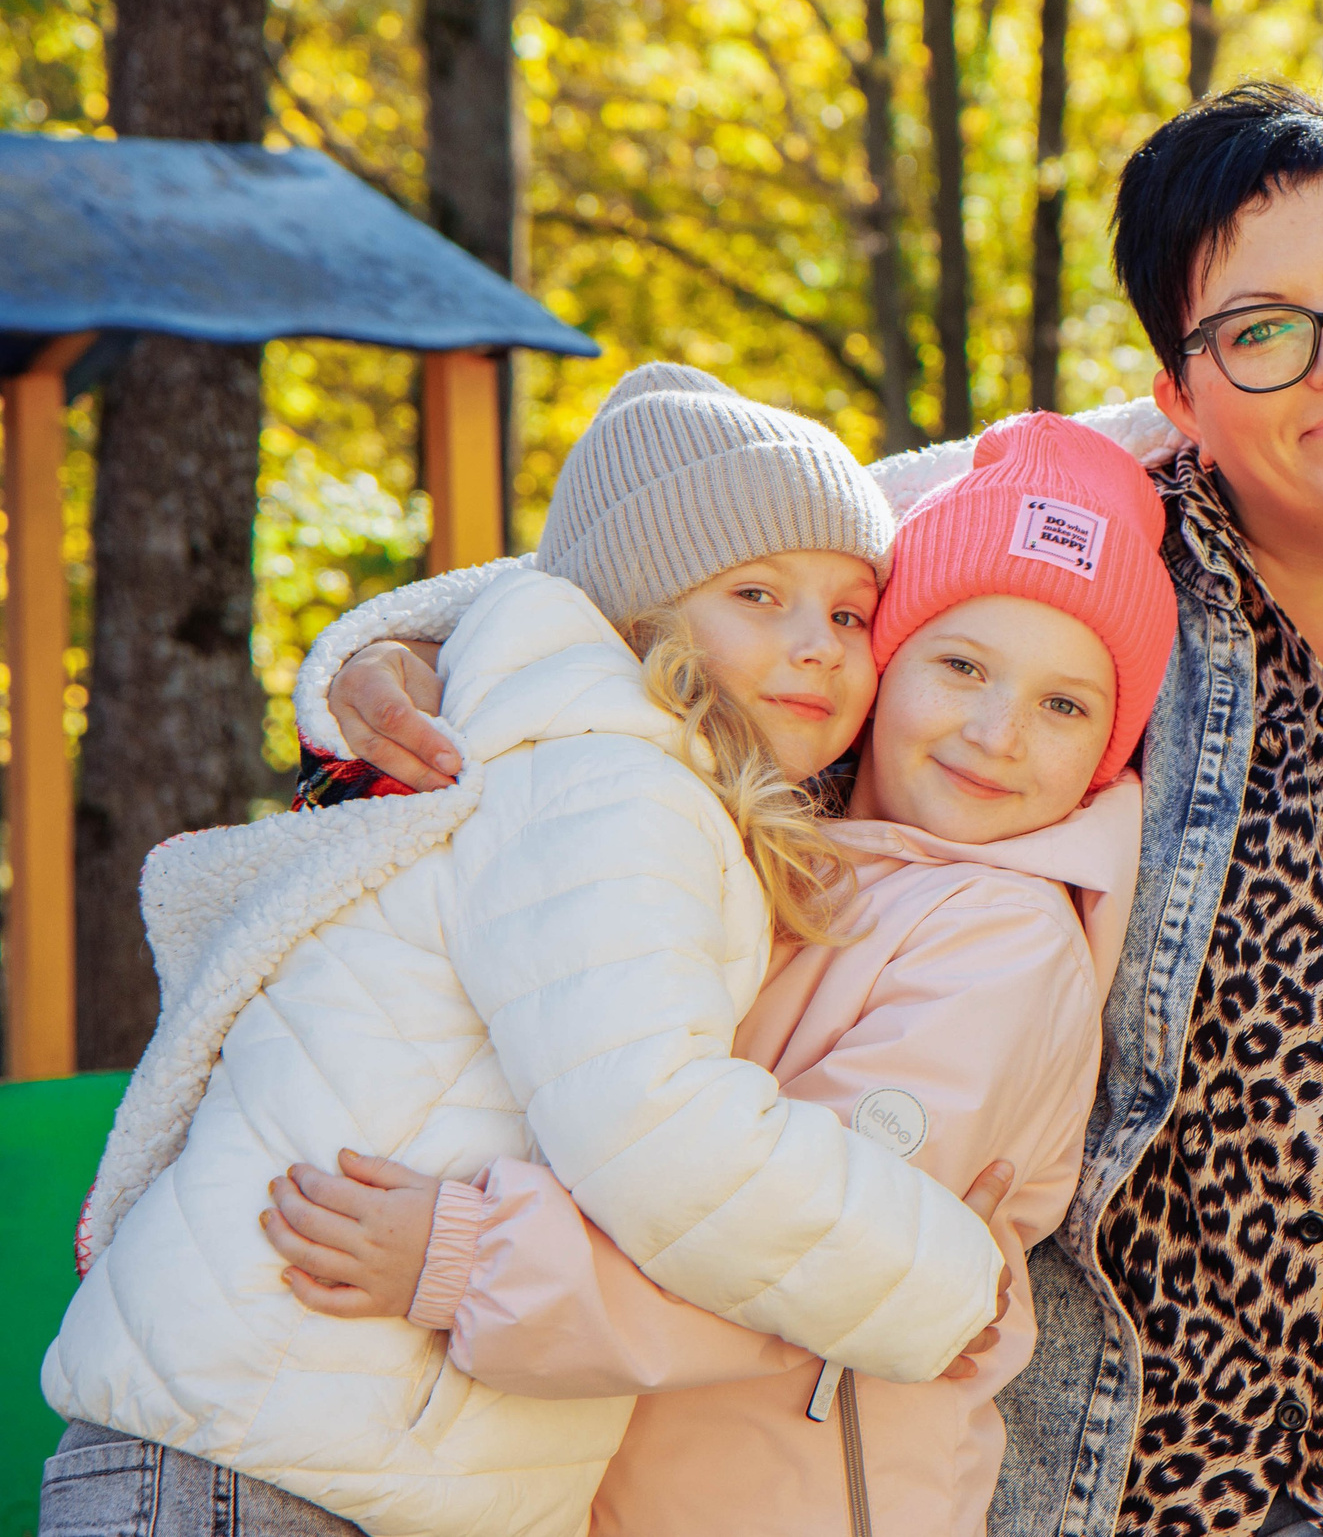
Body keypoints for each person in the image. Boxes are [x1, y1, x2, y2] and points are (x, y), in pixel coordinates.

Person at [293, 85, 1323, 1537]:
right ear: (1178, 385)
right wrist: (396, 657)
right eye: (1264, 327)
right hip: (1052, 1461)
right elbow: (658, 572)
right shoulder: (1047, 548)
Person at [40, 365, 1008, 1537]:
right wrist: (942, 1280)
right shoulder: (610, 786)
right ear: (639, 615)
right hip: (266, 1457)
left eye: (849, 611)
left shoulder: (591, 762)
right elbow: (657, 1130)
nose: (818, 646)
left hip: (309, 1441)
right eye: (757, 594)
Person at [252, 411, 1180, 1537]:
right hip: (598, 1468)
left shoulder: (1002, 941)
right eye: (960, 665)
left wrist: (475, 1259)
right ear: (880, 669)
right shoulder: (758, 833)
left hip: (807, 1495)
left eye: (1064, 705)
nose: (998, 731)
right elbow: (637, 585)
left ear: (1109, 750)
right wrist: (427, 654)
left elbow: (822, 1255)